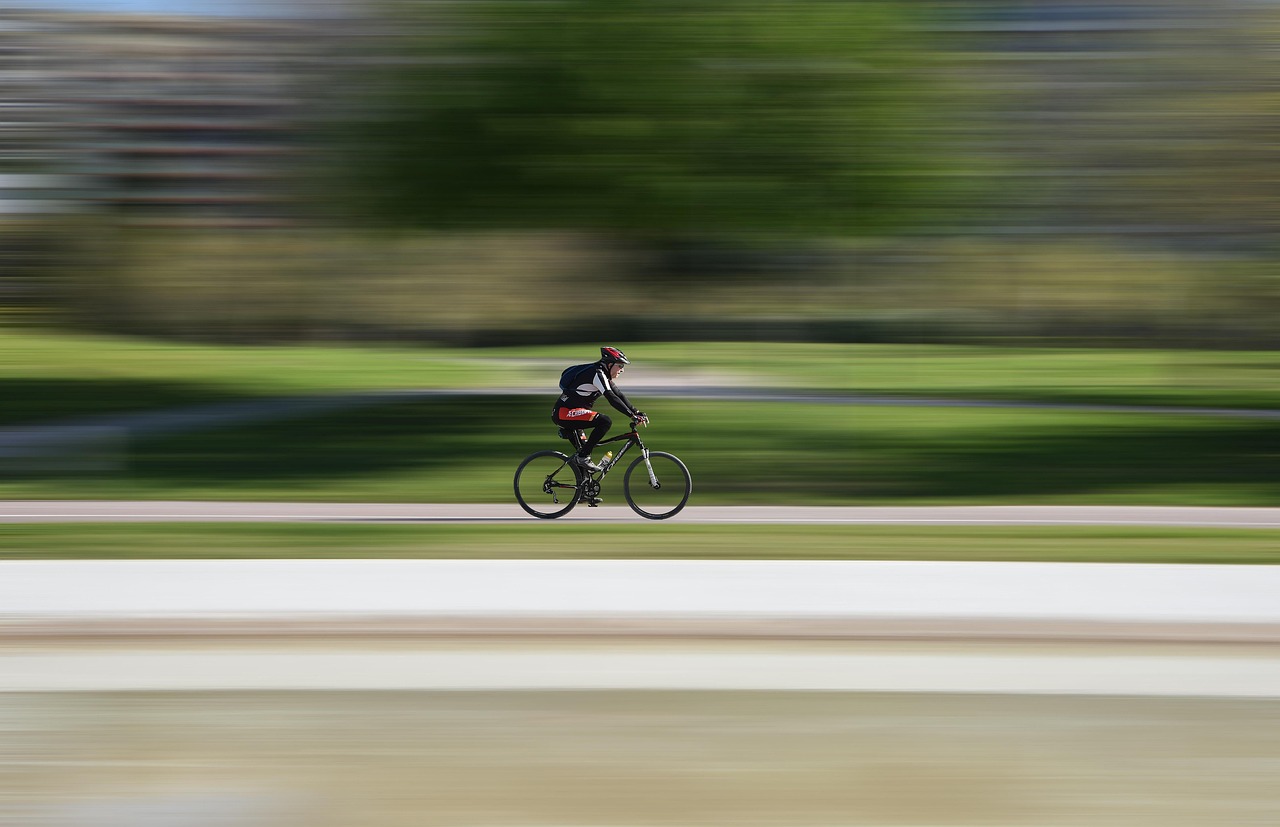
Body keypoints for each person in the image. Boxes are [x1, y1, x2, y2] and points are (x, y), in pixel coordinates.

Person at [552, 346, 648, 473]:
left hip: (571, 413)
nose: (622, 370)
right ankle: (583, 457)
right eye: (620, 366)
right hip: (564, 413)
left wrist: (635, 411)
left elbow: (618, 394)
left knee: (584, 466)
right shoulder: (597, 374)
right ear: (609, 364)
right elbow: (611, 398)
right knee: (605, 421)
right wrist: (631, 416)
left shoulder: (602, 374)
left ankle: (584, 487)